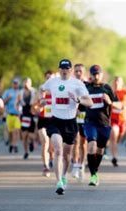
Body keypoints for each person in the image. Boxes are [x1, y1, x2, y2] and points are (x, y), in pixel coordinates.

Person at [41, 59, 93, 195]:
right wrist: (40, 99)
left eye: (67, 68)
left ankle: (64, 176)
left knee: (66, 154)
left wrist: (77, 100)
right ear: (59, 69)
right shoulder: (52, 82)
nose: (64, 70)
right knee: (58, 149)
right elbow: (41, 89)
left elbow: (90, 102)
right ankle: (58, 182)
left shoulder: (77, 84)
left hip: (70, 123)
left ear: (70, 70)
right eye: (62, 68)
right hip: (55, 121)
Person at [84, 64, 121, 186]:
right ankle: (93, 174)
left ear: (102, 74)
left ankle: (95, 170)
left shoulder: (107, 88)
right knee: (91, 146)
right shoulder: (86, 88)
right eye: (94, 74)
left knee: (100, 150)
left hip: (104, 124)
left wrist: (109, 102)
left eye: (98, 73)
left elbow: (120, 106)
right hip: (90, 122)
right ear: (91, 75)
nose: (96, 76)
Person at [109, 76, 126, 167]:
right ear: (113, 82)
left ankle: (115, 147)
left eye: (118, 81)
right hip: (113, 119)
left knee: (118, 138)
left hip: (123, 120)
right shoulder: (110, 92)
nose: (117, 83)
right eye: (115, 81)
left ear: (122, 83)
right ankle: (114, 157)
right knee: (114, 134)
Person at [33, 70, 56, 176]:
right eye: (47, 78)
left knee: (52, 146)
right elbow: (33, 109)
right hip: (42, 121)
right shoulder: (40, 92)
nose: (49, 80)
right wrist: (40, 106)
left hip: (54, 121)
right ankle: (45, 166)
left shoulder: (58, 91)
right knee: (45, 142)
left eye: (51, 78)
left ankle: (51, 158)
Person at [71, 63, 89, 180]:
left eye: (80, 71)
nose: (78, 73)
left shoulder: (87, 85)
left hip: (85, 116)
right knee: (75, 141)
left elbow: (89, 100)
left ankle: (82, 164)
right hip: (73, 115)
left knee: (83, 142)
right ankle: (75, 164)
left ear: (84, 72)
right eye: (76, 71)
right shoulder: (70, 84)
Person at [17, 78, 37, 159]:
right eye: (25, 82)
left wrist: (35, 109)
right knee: (24, 135)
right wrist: (18, 112)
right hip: (24, 113)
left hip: (32, 113)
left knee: (31, 135)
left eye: (27, 82)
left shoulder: (34, 91)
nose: (26, 84)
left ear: (30, 83)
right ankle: (26, 152)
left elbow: (37, 101)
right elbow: (17, 102)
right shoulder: (20, 92)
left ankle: (32, 142)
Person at [3, 79, 22, 153]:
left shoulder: (20, 92)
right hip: (9, 114)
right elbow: (3, 102)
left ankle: (15, 145)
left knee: (16, 130)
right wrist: (8, 98)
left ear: (18, 84)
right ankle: (11, 143)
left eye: (16, 83)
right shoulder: (8, 92)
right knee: (10, 132)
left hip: (17, 115)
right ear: (12, 84)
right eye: (14, 83)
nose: (15, 84)